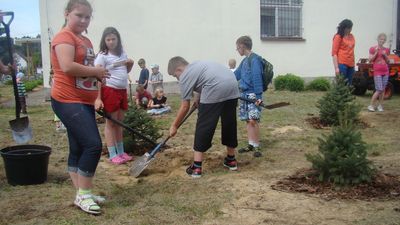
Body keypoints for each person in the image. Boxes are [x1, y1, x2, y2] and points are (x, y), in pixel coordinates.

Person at [50, 0, 110, 215]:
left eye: (87, 17)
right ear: (67, 14)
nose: (83, 20)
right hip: (66, 99)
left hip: (83, 100)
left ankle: (81, 193)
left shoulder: (84, 39)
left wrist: (97, 76)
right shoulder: (63, 37)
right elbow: (67, 66)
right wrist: (95, 71)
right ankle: (84, 194)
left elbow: (85, 69)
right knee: (93, 145)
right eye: (79, 15)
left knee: (78, 147)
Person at [168, 56, 240, 178]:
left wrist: (174, 125)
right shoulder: (197, 64)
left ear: (179, 69)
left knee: (204, 125)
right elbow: (202, 80)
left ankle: (197, 167)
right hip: (232, 85)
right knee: (229, 123)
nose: (177, 79)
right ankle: (231, 160)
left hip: (215, 87)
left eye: (175, 76)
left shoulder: (185, 76)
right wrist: (197, 97)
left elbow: (185, 106)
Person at [94, 27, 134, 164]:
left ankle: (121, 152)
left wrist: (131, 65)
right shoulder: (102, 55)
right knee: (111, 123)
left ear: (118, 39)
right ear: (104, 41)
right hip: (110, 90)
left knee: (120, 123)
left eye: (113, 39)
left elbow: (125, 70)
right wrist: (98, 98)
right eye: (108, 39)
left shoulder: (122, 53)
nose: (111, 42)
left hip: (122, 91)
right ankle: (112, 154)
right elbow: (98, 76)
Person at [234, 36, 263, 158]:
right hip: (244, 95)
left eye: (237, 47)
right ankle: (250, 144)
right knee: (247, 120)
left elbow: (257, 78)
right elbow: (236, 75)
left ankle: (256, 145)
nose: (237, 50)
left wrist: (258, 96)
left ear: (242, 46)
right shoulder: (245, 61)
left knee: (253, 120)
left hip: (252, 95)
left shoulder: (255, 60)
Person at [367, 33, 390, 112]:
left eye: (384, 39)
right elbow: (370, 60)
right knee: (379, 89)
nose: (382, 41)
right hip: (377, 72)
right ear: (378, 39)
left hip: (385, 71)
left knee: (383, 89)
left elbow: (388, 61)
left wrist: (385, 55)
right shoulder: (373, 48)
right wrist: (376, 53)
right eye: (381, 39)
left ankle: (380, 106)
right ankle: (371, 105)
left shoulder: (386, 50)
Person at [332, 19, 355, 85]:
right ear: (344, 28)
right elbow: (334, 53)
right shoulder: (338, 37)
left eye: (351, 28)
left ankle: (347, 95)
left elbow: (352, 50)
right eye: (349, 28)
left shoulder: (351, 36)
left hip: (351, 63)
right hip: (342, 63)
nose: (350, 29)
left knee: (349, 84)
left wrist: (353, 62)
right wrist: (336, 68)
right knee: (341, 84)